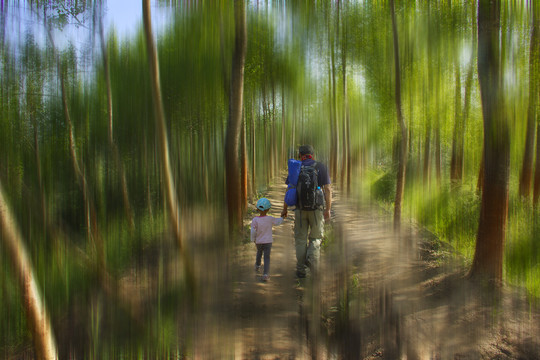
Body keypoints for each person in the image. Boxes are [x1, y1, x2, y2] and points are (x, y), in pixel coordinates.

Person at [281, 145, 332, 279]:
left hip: (300, 209)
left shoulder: (295, 167)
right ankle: (312, 260)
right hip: (316, 210)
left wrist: (284, 209)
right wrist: (328, 209)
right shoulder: (321, 166)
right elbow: (328, 190)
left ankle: (301, 270)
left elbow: (289, 190)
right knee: (315, 238)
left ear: (300, 156)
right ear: (312, 155)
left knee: (300, 239)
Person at [251, 197, 285, 282]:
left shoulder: (255, 220)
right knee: (267, 257)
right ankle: (265, 274)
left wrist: (253, 239)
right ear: (268, 209)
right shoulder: (270, 219)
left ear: (258, 209)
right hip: (268, 242)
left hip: (259, 241)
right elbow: (278, 222)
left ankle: (257, 265)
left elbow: (253, 231)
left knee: (259, 253)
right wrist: (282, 217)